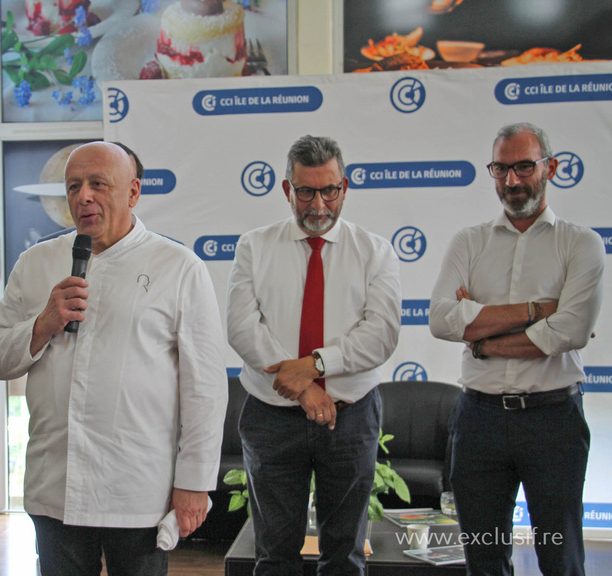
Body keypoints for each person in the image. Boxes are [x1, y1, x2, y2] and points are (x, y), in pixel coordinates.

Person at [0, 141, 227, 576]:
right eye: (74, 186)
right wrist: (42, 324)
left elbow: (205, 388)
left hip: (136, 490)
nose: (84, 197)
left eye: (98, 184)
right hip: (54, 485)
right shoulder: (37, 262)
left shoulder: (179, 267)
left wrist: (194, 483)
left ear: (133, 192)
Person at [430, 122, 604, 576]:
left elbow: (570, 331)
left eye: (524, 166)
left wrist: (482, 336)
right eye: (501, 169)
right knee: (483, 560)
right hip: (479, 420)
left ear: (551, 167)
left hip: (553, 422)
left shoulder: (580, 243)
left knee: (560, 557)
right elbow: (442, 320)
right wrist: (535, 309)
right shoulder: (469, 242)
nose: (511, 181)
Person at [227, 135, 401, 575]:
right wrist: (306, 389)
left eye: (329, 191)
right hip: (272, 417)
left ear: (344, 187)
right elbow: (242, 328)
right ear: (287, 189)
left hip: (351, 415)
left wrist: (317, 364)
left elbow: (381, 334)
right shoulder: (254, 246)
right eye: (306, 191)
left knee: (345, 555)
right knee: (274, 555)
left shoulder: (375, 251)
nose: (318, 204)